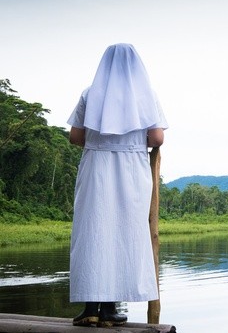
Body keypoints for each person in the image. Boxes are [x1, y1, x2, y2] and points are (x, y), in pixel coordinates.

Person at [67, 43, 168, 327]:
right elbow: (157, 138)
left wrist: (102, 141)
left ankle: (90, 309)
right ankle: (110, 310)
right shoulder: (147, 96)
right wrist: (131, 141)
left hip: (96, 167)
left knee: (93, 230)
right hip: (131, 170)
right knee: (124, 231)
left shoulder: (90, 94)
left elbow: (75, 136)